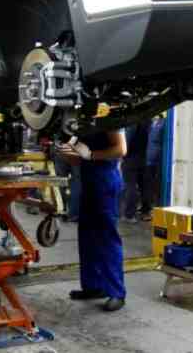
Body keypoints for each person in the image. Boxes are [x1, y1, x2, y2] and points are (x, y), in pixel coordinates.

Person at [57, 129, 127, 312]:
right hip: (88, 181)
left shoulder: (110, 117)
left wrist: (91, 155)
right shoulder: (83, 122)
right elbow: (79, 158)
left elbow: (121, 149)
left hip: (106, 180)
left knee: (106, 238)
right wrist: (69, 153)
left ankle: (117, 292)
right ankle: (94, 286)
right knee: (87, 235)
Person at [121, 124, 149, 224]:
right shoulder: (146, 122)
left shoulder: (133, 123)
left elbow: (127, 141)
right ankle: (145, 211)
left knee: (130, 186)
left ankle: (129, 215)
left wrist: (123, 155)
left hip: (131, 159)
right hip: (142, 158)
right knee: (143, 186)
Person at [143, 115, 165, 220]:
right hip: (149, 158)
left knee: (153, 184)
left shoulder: (162, 123)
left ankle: (152, 209)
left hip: (155, 159)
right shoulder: (151, 123)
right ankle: (148, 208)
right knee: (148, 184)